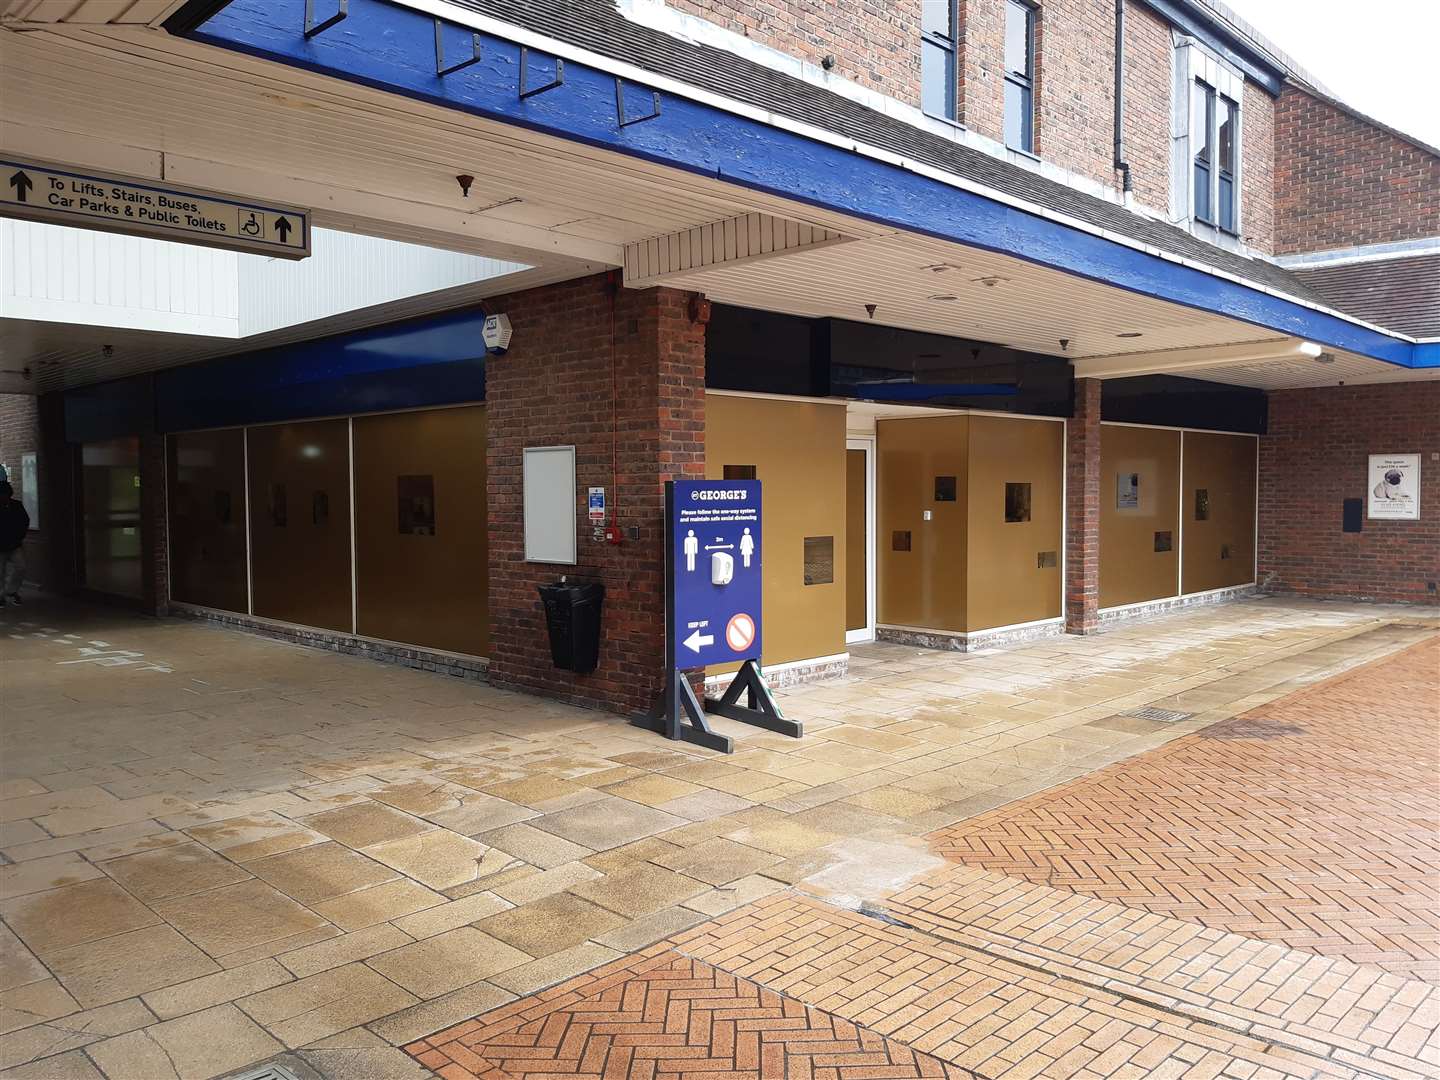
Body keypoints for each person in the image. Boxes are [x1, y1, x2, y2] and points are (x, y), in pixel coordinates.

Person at [0, 481, 29, 606]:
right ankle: (0, 596)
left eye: (5, 494)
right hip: (0, 546)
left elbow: (24, 521)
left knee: (21, 567)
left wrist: (19, 537)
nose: (3, 497)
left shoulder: (17, 505)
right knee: (0, 572)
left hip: (15, 544)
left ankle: (11, 591)